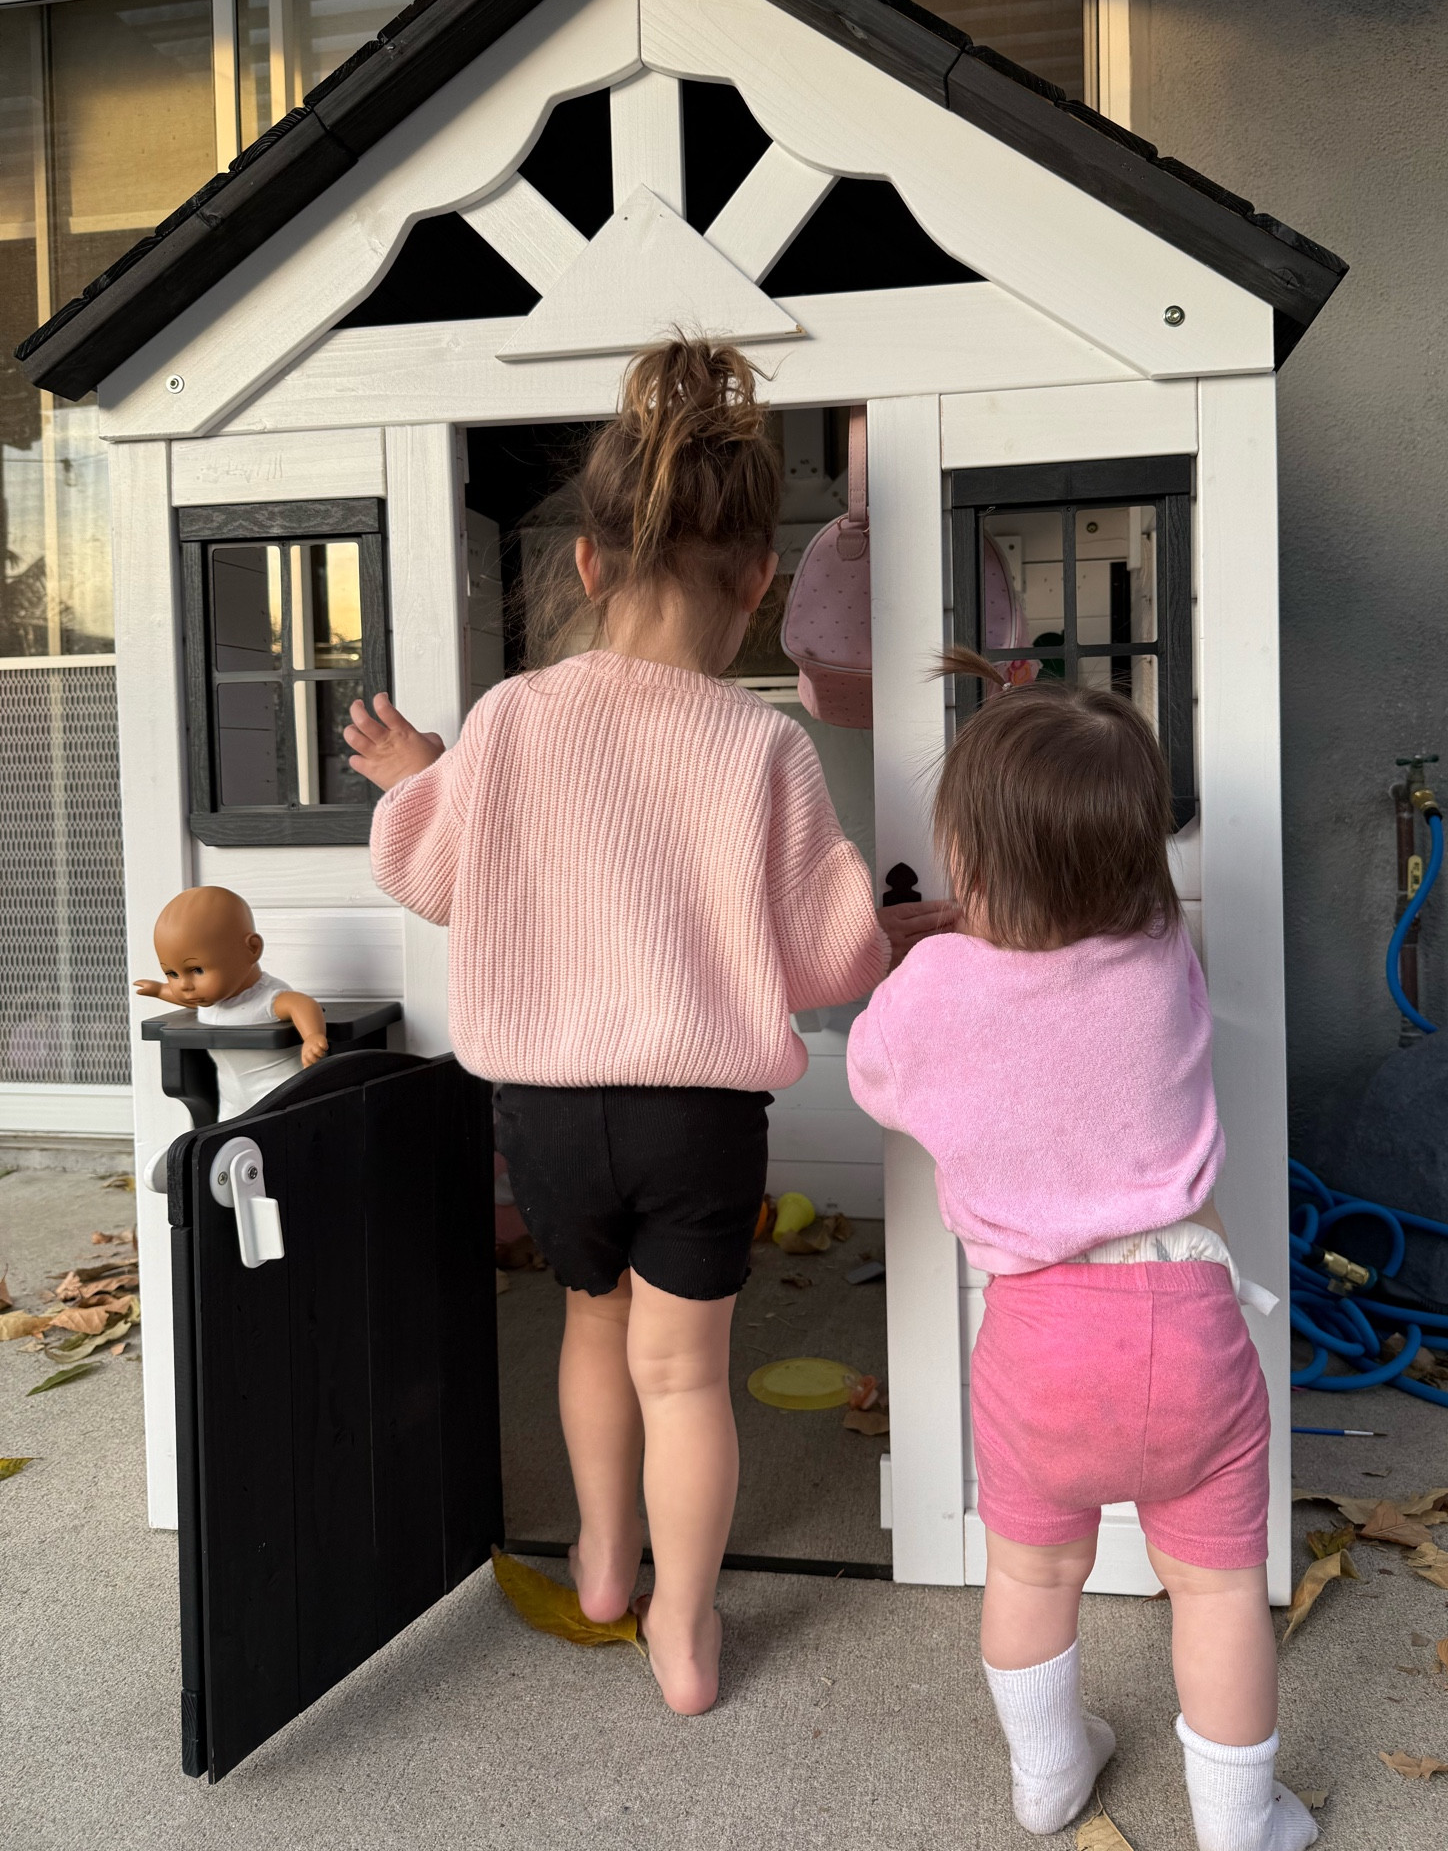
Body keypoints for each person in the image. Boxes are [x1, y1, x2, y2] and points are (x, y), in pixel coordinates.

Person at [345, 340, 946, 1715]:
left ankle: (606, 1563)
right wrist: (896, 928)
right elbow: (826, 952)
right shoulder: (763, 745)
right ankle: (685, 1626)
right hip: (699, 1119)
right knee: (686, 1378)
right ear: (760, 582)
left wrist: (419, 776)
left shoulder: (511, 719)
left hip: (547, 1113)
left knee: (589, 1329)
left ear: (587, 564)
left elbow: (429, 871)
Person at [846, 654, 1311, 1851]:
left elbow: (876, 1078)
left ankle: (1049, 1778)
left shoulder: (938, 984)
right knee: (1216, 1587)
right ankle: (1239, 1822)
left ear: (968, 857)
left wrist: (934, 950)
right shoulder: (1160, 954)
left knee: (1032, 1574)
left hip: (1036, 1342)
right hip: (1188, 1324)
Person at [134, 884, 329, 1117]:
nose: (184, 985)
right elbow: (188, 1001)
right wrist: (159, 990)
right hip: (231, 1100)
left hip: (278, 1094)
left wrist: (313, 1036)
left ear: (252, 949)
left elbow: (302, 1005)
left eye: (197, 970)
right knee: (230, 1136)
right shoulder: (211, 999)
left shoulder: (265, 998)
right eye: (172, 974)